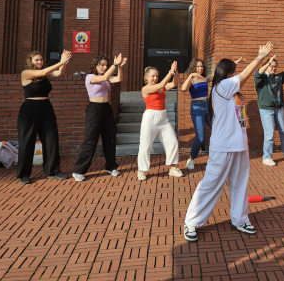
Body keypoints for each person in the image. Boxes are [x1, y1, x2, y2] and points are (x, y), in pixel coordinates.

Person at [183, 42, 274, 243]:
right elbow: (246, 75)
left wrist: (263, 62)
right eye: (233, 72)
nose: (235, 75)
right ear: (227, 73)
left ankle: (240, 219)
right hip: (223, 145)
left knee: (239, 183)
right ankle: (191, 221)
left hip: (239, 144)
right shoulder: (221, 86)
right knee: (212, 182)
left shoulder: (230, 89)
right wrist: (259, 57)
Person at [17, 50, 72, 184]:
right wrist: (61, 62)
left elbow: (59, 73)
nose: (39, 62)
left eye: (41, 60)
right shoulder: (26, 73)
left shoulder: (45, 75)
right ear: (30, 61)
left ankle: (53, 171)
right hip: (29, 110)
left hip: (46, 108)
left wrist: (65, 63)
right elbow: (42, 72)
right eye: (36, 60)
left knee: (51, 139)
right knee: (27, 142)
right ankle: (23, 174)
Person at [72, 53, 127, 182]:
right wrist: (114, 64)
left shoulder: (105, 77)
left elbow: (119, 79)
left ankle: (111, 166)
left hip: (106, 109)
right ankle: (78, 170)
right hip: (94, 110)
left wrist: (119, 67)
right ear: (95, 66)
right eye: (101, 65)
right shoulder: (90, 77)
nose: (104, 67)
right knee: (91, 140)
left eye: (105, 65)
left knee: (110, 138)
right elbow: (105, 77)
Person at [254, 54, 284, 166]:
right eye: (271, 66)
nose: (273, 68)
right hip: (266, 110)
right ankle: (266, 157)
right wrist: (267, 62)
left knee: (283, 131)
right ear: (266, 66)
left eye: (275, 66)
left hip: (279, 109)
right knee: (270, 134)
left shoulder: (278, 77)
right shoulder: (261, 78)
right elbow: (258, 73)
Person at [137, 61, 183, 180]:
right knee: (145, 145)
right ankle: (141, 170)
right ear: (146, 77)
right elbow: (162, 84)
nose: (155, 78)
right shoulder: (146, 88)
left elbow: (174, 83)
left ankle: (172, 168)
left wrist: (175, 73)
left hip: (163, 118)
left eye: (157, 76)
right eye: (153, 76)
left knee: (172, 142)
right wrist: (170, 71)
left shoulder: (161, 88)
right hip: (150, 118)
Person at [180, 58, 211, 171]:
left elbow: (219, 74)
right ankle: (191, 158)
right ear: (194, 67)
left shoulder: (205, 78)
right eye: (198, 66)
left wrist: (232, 64)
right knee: (201, 137)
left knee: (218, 130)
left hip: (207, 107)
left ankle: (215, 158)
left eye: (202, 66)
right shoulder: (192, 79)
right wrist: (190, 75)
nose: (200, 68)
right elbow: (183, 88)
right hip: (197, 108)